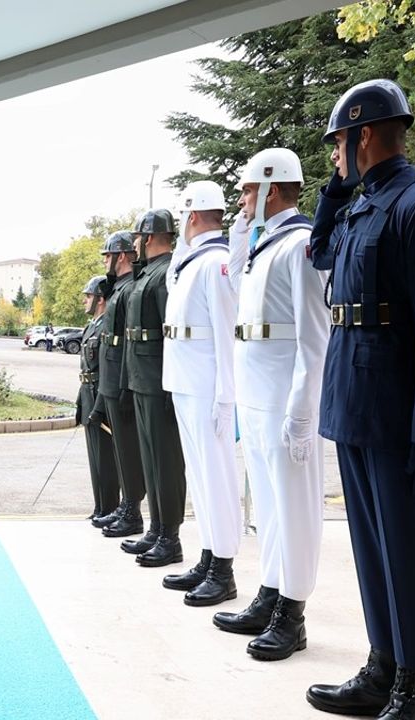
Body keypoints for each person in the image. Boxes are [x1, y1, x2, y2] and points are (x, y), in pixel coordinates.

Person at [306, 79, 415, 720]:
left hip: (399, 411)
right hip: (354, 401)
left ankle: (413, 688)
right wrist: (338, 189)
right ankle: (381, 668)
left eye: (339, 142)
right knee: (372, 548)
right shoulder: (359, 208)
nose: (335, 154)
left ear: (363, 134)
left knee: (409, 552)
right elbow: (320, 254)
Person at [213, 149, 328, 663]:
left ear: (272, 190)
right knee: (267, 504)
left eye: (245, 192)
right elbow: (234, 287)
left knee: (294, 509)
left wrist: (302, 412)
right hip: (258, 397)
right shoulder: (264, 245)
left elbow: (313, 337)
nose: (239, 202)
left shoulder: (301, 245)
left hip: (284, 398)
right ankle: (270, 591)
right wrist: (240, 235)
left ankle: (293, 612)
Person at [157, 181, 242, 605]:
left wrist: (227, 396)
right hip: (186, 379)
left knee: (217, 475)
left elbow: (228, 334)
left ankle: (224, 568)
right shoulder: (192, 261)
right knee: (199, 475)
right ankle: (209, 555)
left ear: (191, 216)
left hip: (208, 384)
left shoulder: (217, 262)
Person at [122, 209, 188, 568]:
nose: (135, 244)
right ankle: (156, 526)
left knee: (165, 461)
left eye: (138, 237)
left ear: (148, 238)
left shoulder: (166, 274)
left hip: (159, 379)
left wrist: (169, 382)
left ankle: (170, 536)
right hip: (142, 377)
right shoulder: (148, 272)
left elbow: (170, 332)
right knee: (151, 459)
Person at [92, 232, 146, 538]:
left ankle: (132, 510)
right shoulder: (118, 289)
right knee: (122, 449)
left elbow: (126, 341)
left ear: (121, 256)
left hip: (121, 378)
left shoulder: (129, 289)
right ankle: (127, 506)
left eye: (107, 255)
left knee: (127, 448)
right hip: (112, 378)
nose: (105, 261)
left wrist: (125, 382)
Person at [76, 275, 119, 523]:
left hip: (100, 396)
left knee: (106, 458)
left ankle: (111, 508)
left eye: (89, 296)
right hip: (88, 394)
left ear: (101, 299)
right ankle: (100, 506)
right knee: (94, 457)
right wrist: (81, 400)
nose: (85, 300)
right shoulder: (92, 326)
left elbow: (106, 370)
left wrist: (100, 405)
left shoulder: (105, 328)